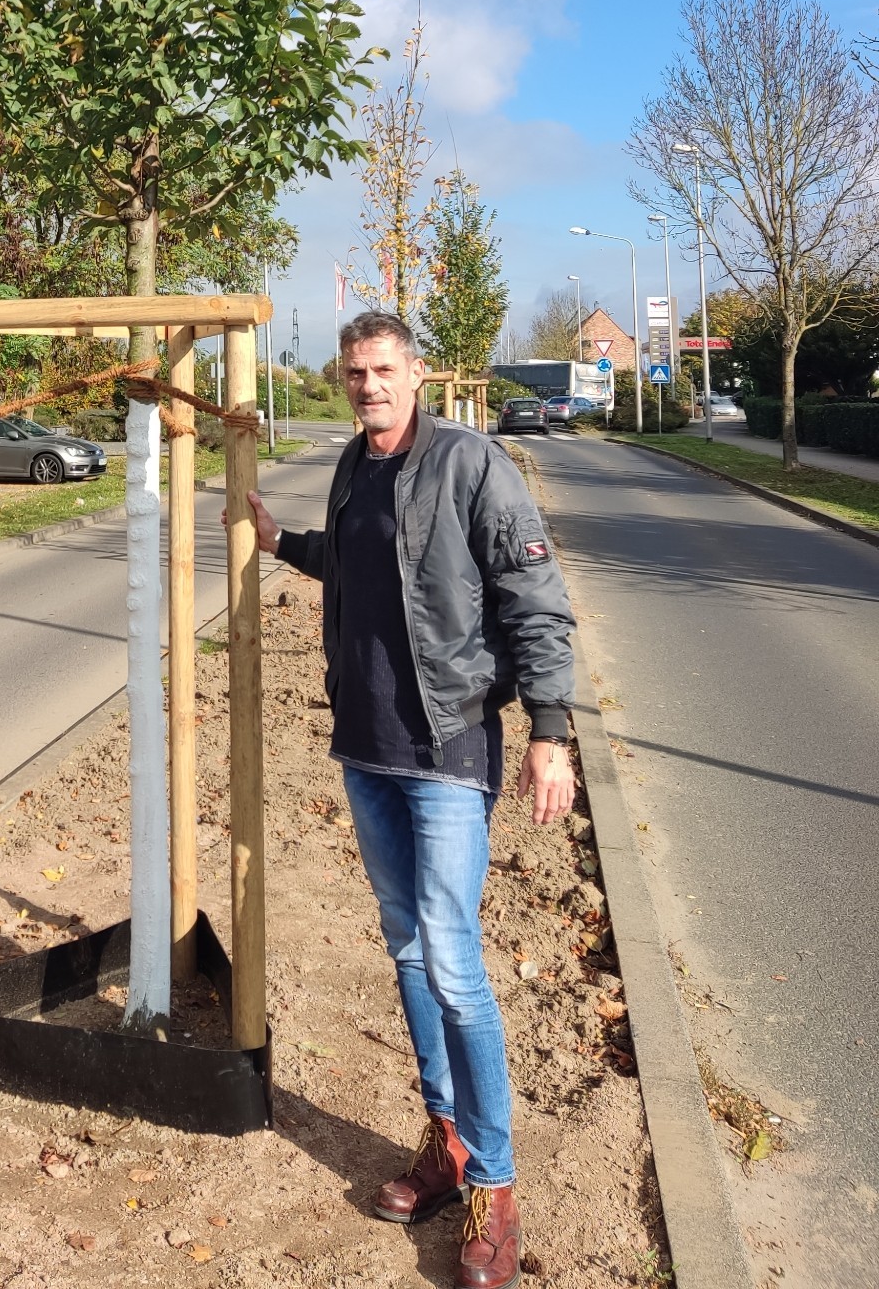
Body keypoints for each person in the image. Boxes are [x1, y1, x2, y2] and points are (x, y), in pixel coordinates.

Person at [240, 314, 575, 1289]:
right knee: (407, 949)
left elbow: (534, 595)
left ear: (418, 372)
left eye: (384, 369)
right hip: (367, 748)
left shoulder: (472, 463)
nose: (369, 385)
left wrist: (550, 731)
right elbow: (360, 564)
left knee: (454, 962)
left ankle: (495, 1187)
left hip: (447, 746)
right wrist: (283, 542)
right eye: (355, 372)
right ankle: (447, 1141)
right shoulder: (354, 464)